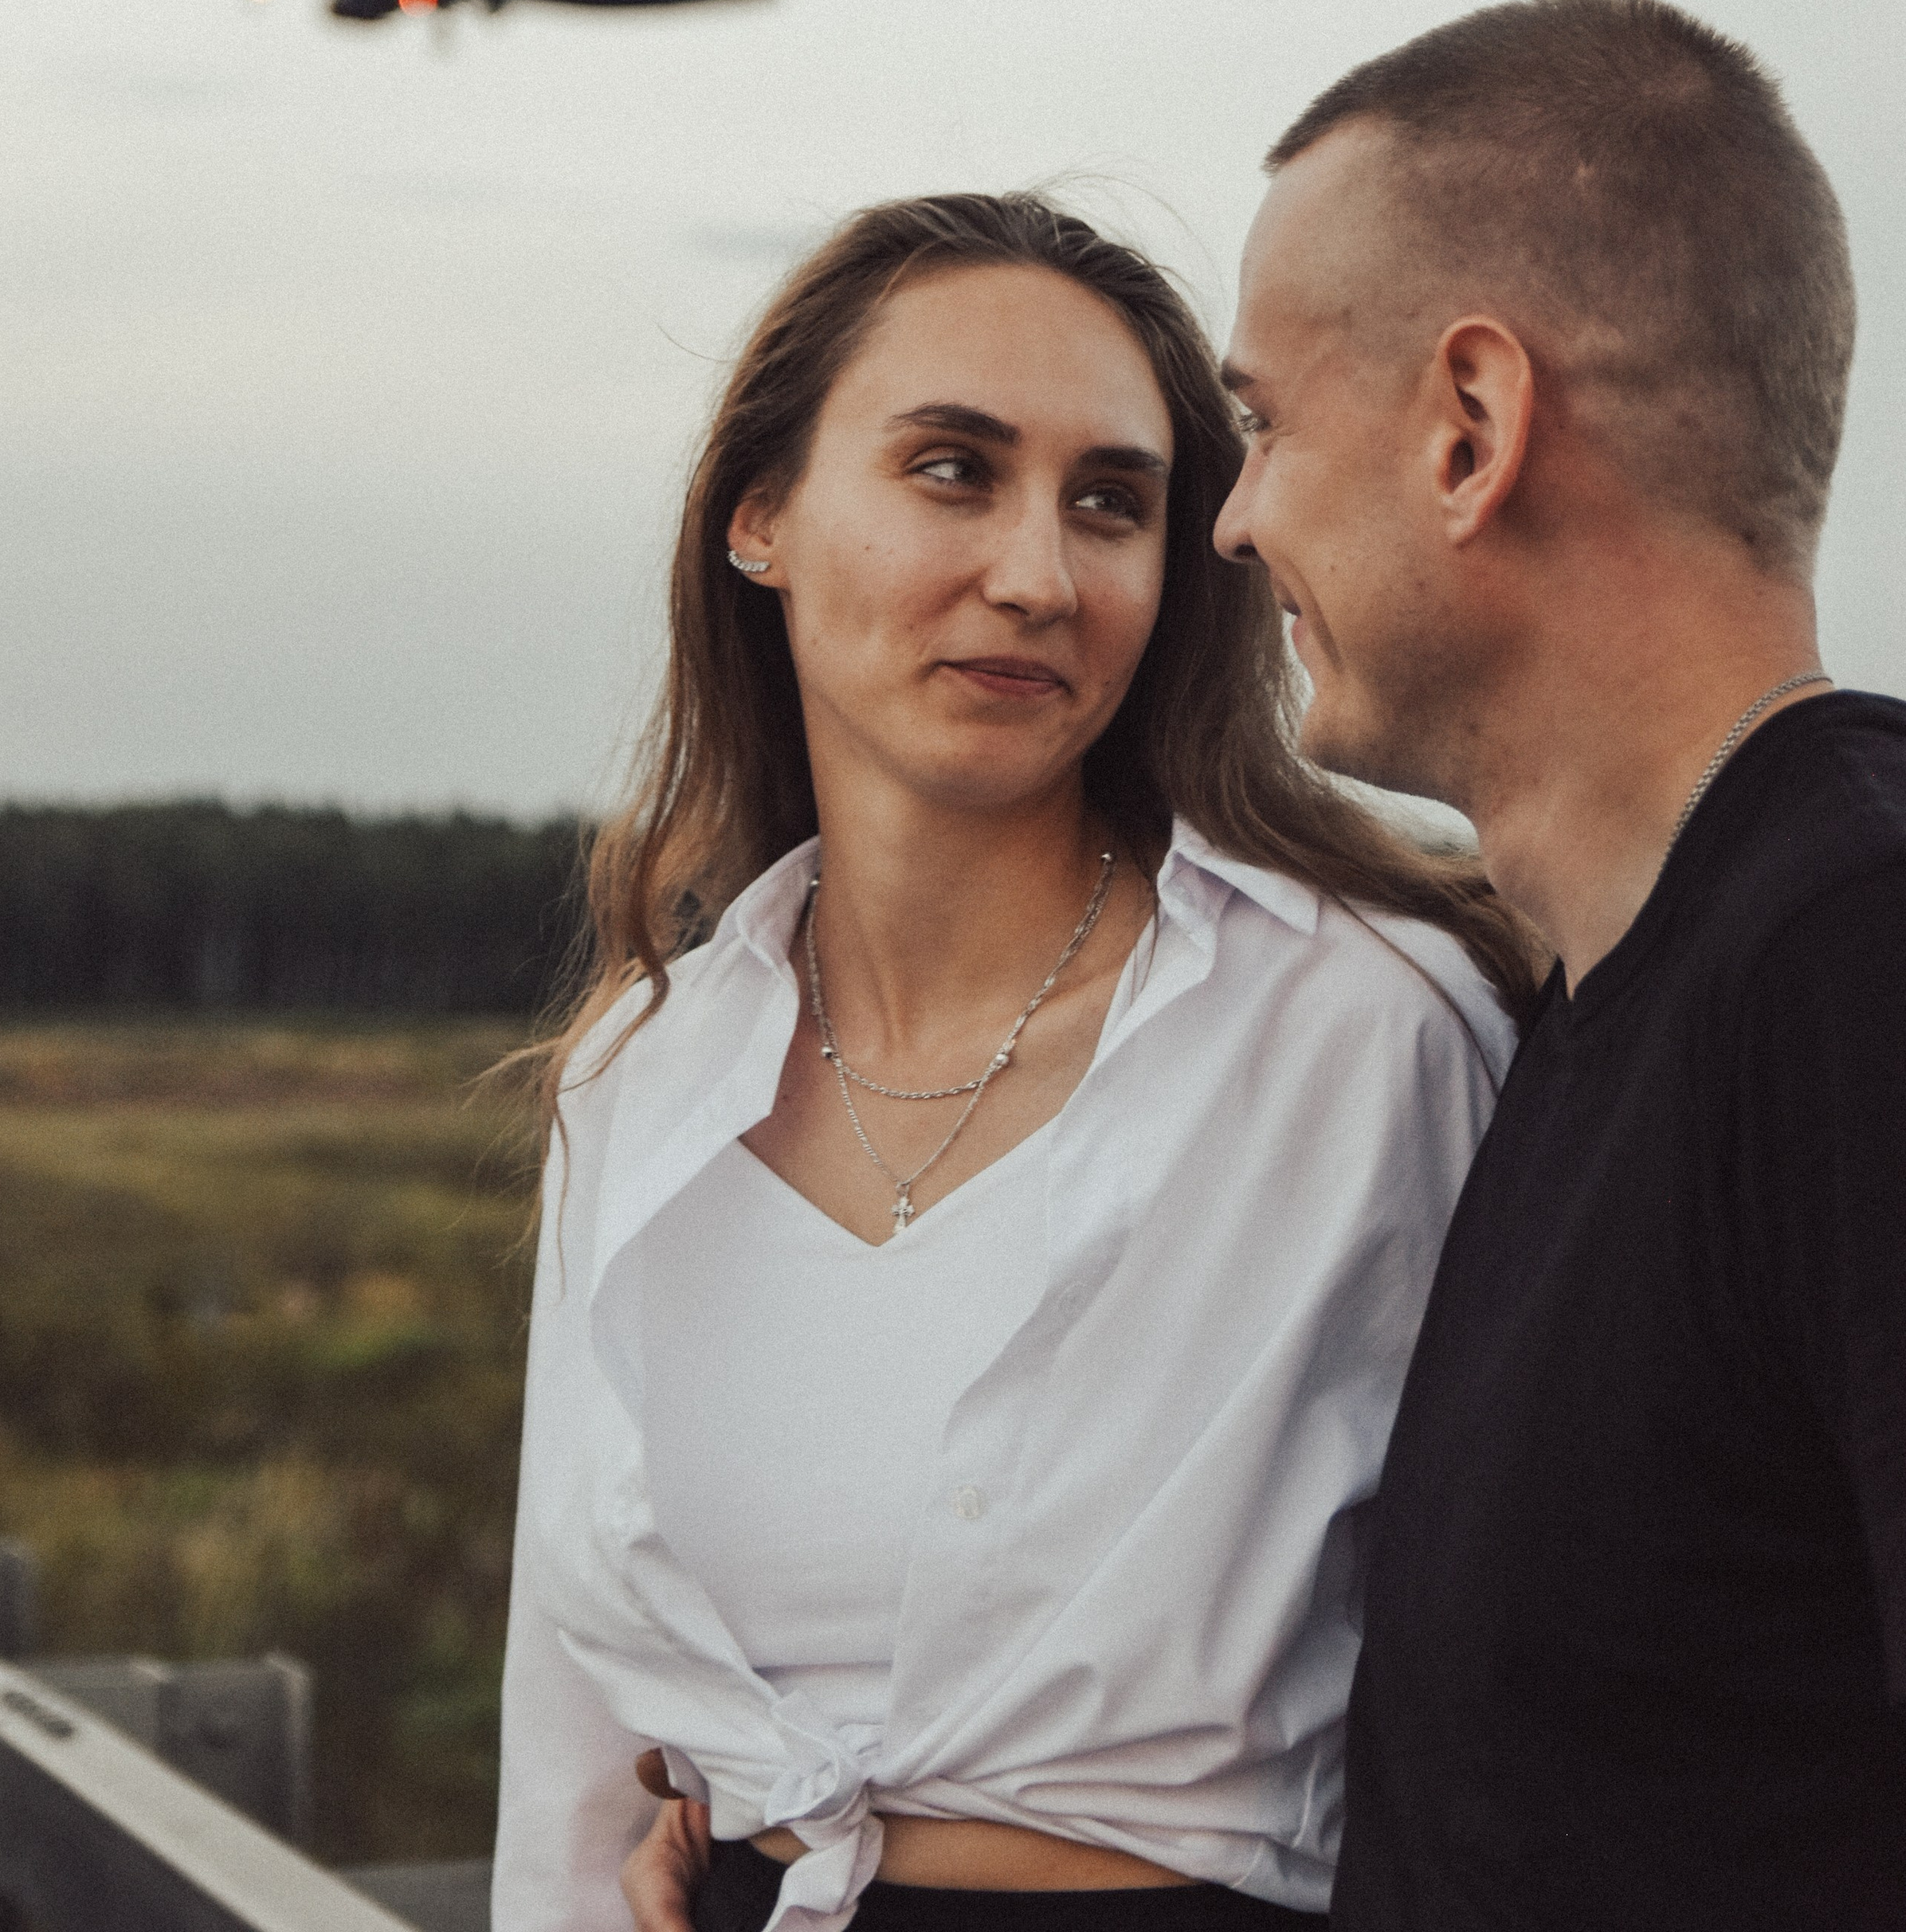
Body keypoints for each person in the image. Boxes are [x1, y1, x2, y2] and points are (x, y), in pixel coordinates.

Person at [491, 192, 1531, 1932]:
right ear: (760, 515)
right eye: (951, 471)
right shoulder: (643, 1077)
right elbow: (572, 1760)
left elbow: (1541, 1667)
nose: (1038, 577)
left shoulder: (1365, 1033)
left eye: (1110, 503)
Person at [1211, 0, 1906, 1931]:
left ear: (1469, 427)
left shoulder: (1853, 961)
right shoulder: (1608, 994)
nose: (1232, 522)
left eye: (1263, 423)